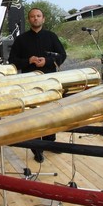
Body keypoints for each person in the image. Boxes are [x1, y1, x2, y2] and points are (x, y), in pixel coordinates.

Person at [8, 8, 66, 163]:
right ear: (29, 20)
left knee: (51, 112)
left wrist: (46, 61)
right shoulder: (21, 40)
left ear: (43, 19)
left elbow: (62, 55)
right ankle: (36, 146)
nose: (36, 18)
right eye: (33, 16)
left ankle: (50, 142)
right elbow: (12, 60)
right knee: (34, 114)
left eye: (38, 16)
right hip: (29, 82)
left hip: (49, 80)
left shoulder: (51, 36)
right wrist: (29, 60)